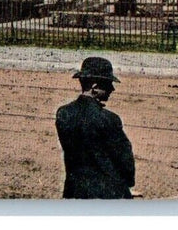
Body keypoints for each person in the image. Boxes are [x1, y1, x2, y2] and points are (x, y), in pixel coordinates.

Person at [55, 56, 136, 199]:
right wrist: (126, 186)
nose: (112, 89)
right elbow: (125, 162)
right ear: (94, 87)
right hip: (109, 194)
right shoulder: (109, 119)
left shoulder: (63, 114)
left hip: (75, 192)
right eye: (108, 84)